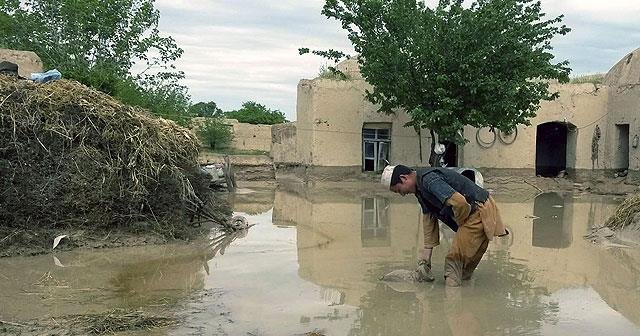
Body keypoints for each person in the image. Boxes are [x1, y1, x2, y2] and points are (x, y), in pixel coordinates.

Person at [381, 164, 507, 286]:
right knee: (463, 270)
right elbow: (429, 222)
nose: (402, 194)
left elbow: (459, 202)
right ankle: (468, 301)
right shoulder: (420, 191)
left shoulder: (428, 180)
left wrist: (461, 225)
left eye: (398, 190)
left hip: (478, 211)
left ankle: (450, 304)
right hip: (480, 208)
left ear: (404, 178)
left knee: (453, 264)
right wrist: (425, 261)